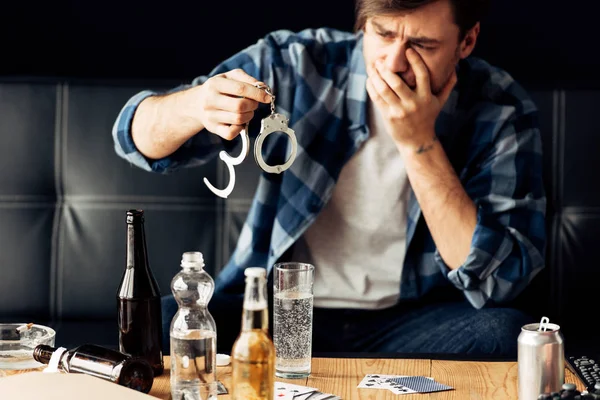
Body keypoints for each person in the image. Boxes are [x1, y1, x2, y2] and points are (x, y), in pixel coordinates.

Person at [112, 0, 546, 358]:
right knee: (161, 319)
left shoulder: (499, 106)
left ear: (465, 41)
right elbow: (131, 137)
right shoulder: (295, 63)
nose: (395, 62)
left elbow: (500, 280)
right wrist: (196, 105)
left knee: (509, 333)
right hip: (277, 314)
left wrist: (419, 142)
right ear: (362, 23)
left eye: (422, 44)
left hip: (413, 323)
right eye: (383, 34)